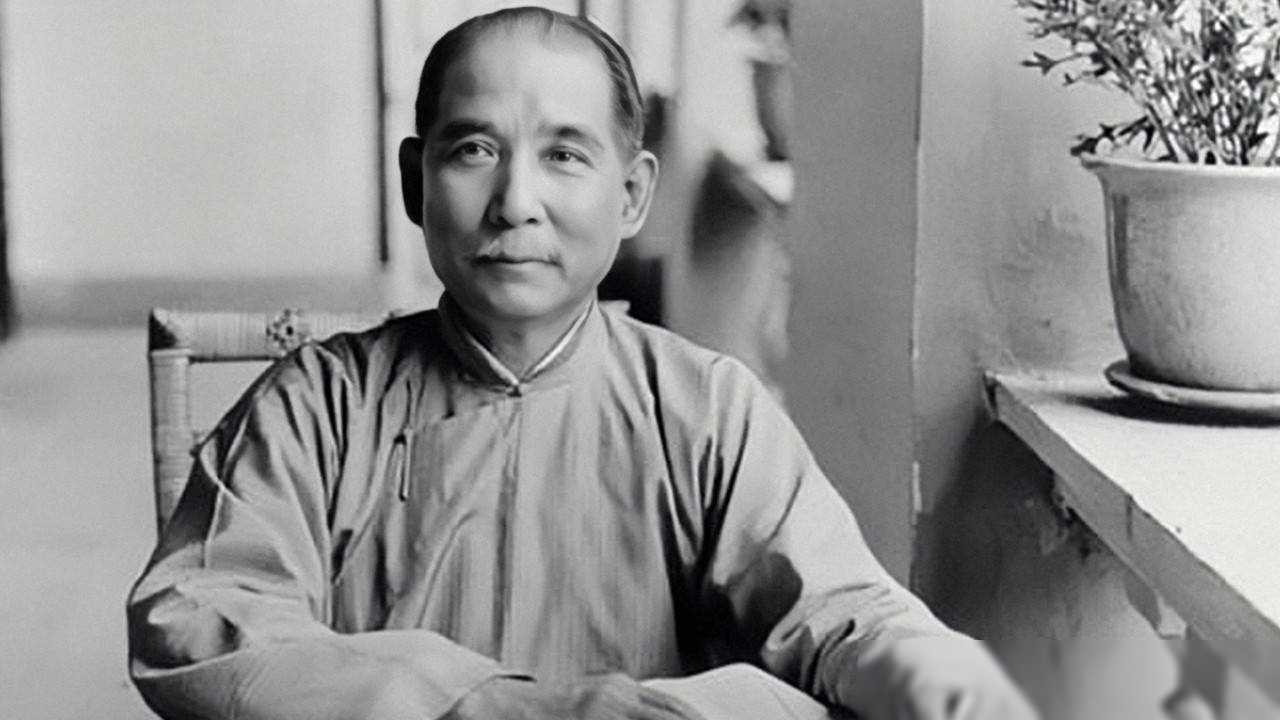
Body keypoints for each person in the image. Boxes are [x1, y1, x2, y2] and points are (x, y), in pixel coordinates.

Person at [126, 7, 1038, 720]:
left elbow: (845, 612)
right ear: (414, 181)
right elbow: (199, 616)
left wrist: (955, 691)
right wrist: (496, 707)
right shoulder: (318, 406)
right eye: (473, 150)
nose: (515, 201)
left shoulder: (705, 409)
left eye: (564, 154)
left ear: (632, 193)